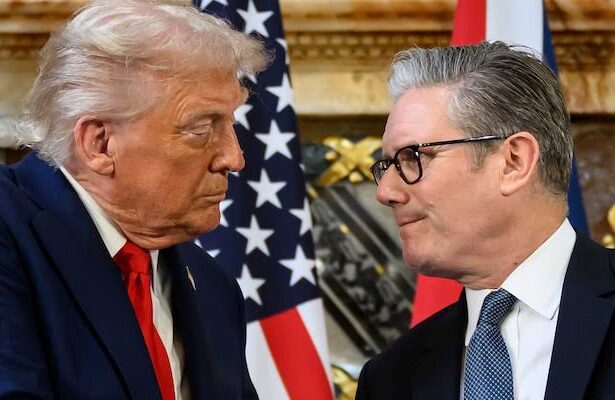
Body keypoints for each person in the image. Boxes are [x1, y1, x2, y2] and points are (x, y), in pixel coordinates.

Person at [0, 0, 269, 398]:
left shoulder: (214, 288)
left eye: (229, 124)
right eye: (201, 129)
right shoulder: (10, 230)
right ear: (100, 144)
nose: (234, 158)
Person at [356, 41, 615, 400]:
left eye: (413, 157)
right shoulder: (390, 380)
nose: (385, 191)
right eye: (386, 165)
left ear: (513, 162)